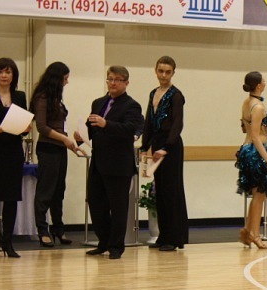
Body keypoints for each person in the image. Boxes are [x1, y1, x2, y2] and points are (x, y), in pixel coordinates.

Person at [75, 65, 143, 260]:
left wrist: (106, 124)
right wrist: (80, 136)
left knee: (118, 207)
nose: (112, 83)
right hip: (98, 162)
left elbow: (129, 129)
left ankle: (116, 246)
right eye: (110, 79)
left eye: (117, 80)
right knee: (96, 203)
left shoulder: (132, 105)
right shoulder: (98, 103)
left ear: (126, 83)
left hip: (119, 164)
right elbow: (91, 127)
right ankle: (103, 241)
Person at [30, 61, 85, 248]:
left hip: (59, 148)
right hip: (47, 149)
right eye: (65, 79)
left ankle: (58, 228)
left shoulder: (56, 99)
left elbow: (61, 128)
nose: (67, 82)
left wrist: (71, 145)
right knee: (46, 190)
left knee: (59, 190)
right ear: (56, 79)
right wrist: (64, 139)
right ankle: (42, 230)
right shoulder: (43, 97)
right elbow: (42, 127)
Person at [0, 58, 29, 258]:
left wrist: (26, 128)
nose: (4, 76)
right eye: (0, 72)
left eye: (8, 72)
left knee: (11, 198)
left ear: (13, 75)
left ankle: (8, 243)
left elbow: (24, 124)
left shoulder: (19, 96)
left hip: (12, 151)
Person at [141, 56, 188, 252]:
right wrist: (144, 146)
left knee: (171, 190)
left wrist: (166, 147)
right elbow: (149, 121)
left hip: (171, 146)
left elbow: (178, 123)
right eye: (161, 71)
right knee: (159, 191)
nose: (164, 75)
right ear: (156, 71)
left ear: (173, 73)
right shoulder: (153, 93)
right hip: (157, 143)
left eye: (168, 72)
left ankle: (174, 238)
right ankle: (163, 236)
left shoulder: (176, 95)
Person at [235, 71, 267, 249]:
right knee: (259, 195)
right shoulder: (258, 107)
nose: (265, 83)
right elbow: (254, 136)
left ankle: (249, 232)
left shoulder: (246, 103)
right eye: (263, 81)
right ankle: (254, 234)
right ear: (259, 85)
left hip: (247, 149)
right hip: (255, 151)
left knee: (257, 195)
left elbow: (246, 129)